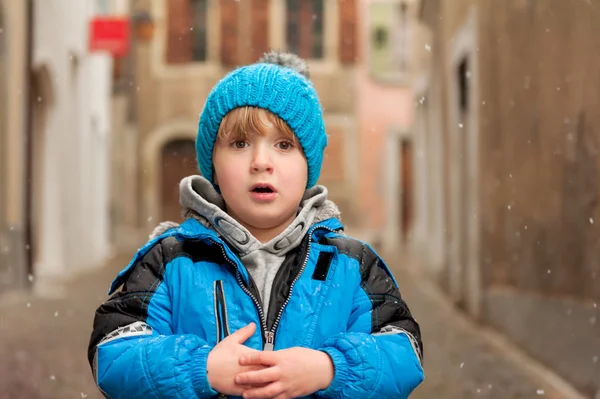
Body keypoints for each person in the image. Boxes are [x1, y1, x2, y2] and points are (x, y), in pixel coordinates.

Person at [87, 51, 424, 399]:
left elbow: (403, 351)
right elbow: (113, 354)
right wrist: (199, 369)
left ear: (309, 166)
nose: (261, 162)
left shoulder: (350, 264)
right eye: (239, 143)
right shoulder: (170, 260)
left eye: (283, 145)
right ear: (213, 164)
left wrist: (329, 368)